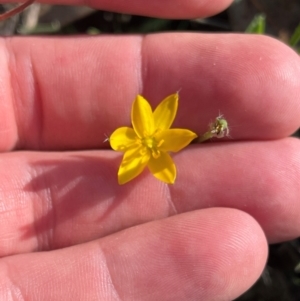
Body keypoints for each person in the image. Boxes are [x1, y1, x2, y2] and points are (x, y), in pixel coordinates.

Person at [0, 0, 299, 300]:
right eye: (151, 142)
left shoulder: (165, 155)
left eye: (154, 143)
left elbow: (165, 159)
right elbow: (127, 141)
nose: (153, 144)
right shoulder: (143, 132)